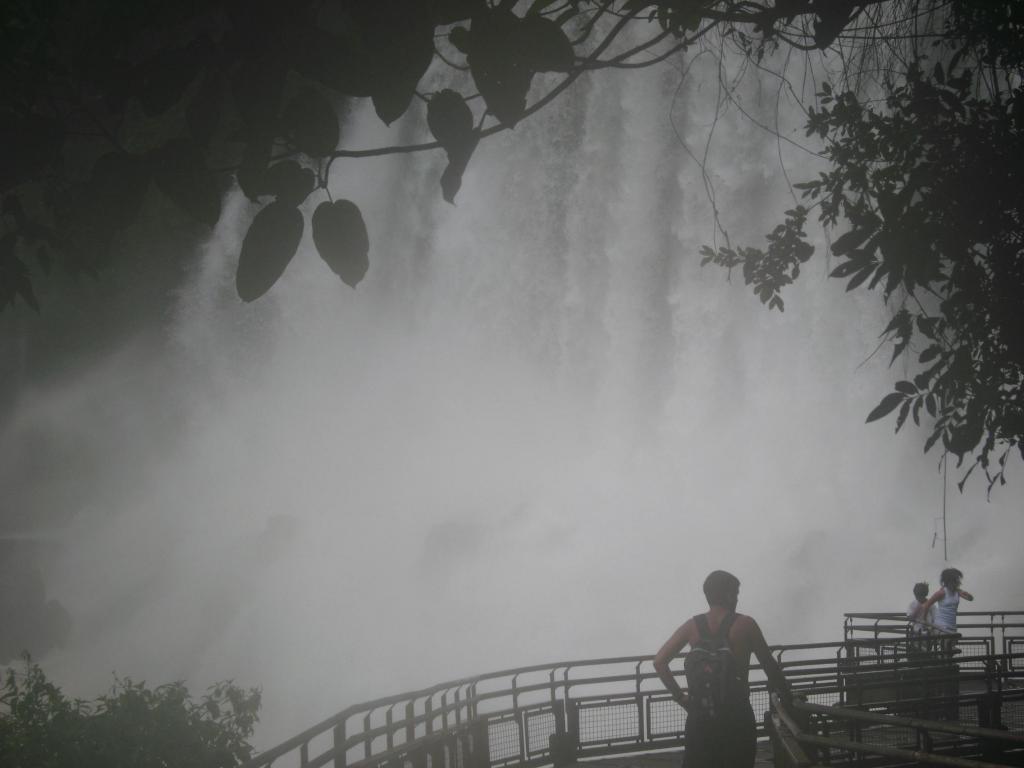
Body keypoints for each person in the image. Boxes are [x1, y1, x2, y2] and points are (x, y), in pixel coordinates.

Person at [653, 570, 791, 768]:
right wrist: (787, 697)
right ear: (728, 594)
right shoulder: (746, 624)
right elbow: (770, 667)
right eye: (735, 593)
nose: (736, 598)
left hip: (700, 717)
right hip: (737, 716)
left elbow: (659, 662)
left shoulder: (692, 626)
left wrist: (681, 698)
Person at [921, 567, 974, 634]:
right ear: (948, 581)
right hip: (941, 626)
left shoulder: (957, 592)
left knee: (950, 643)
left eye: (957, 580)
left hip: (952, 627)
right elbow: (926, 605)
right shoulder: (941, 592)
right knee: (946, 642)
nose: (957, 582)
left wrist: (967, 594)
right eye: (955, 580)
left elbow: (970, 599)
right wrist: (924, 621)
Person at [906, 581, 936, 656]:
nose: (919, 598)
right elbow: (910, 618)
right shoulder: (912, 604)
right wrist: (919, 607)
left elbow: (935, 618)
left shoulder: (931, 604)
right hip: (916, 633)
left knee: (924, 653)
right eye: (918, 596)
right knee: (918, 653)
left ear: (925, 594)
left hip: (927, 633)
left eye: (921, 596)